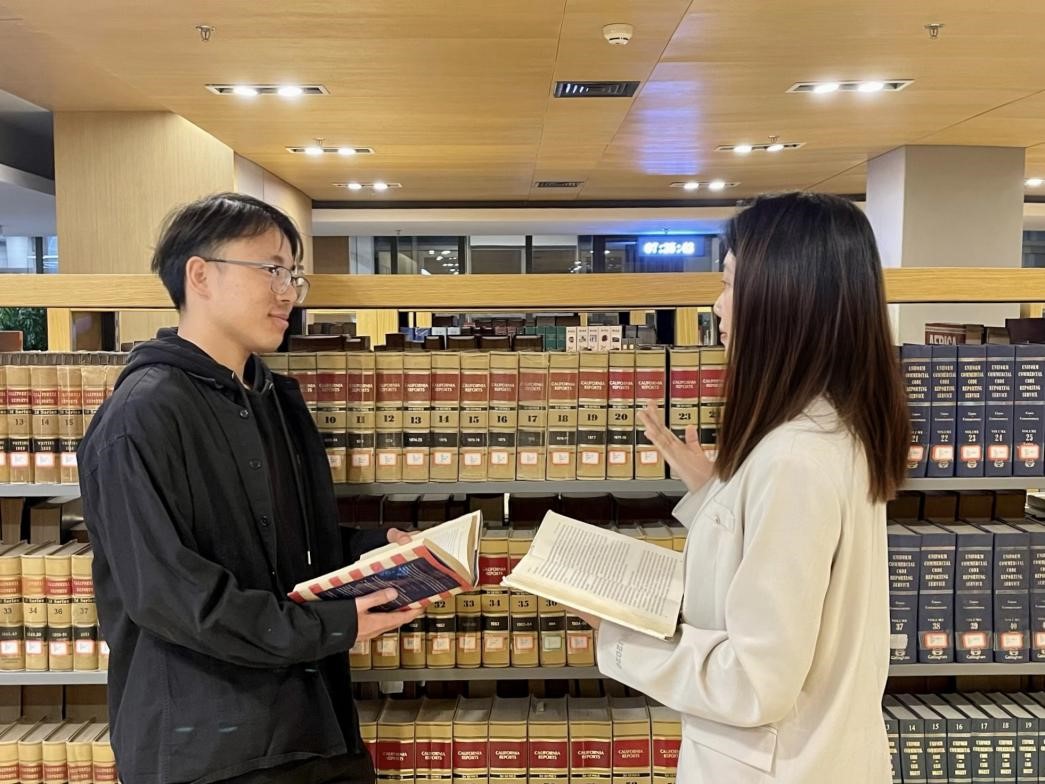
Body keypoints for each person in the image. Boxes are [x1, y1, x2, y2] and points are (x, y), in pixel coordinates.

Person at [78, 192, 423, 784]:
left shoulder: (270, 397)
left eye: (293, 275)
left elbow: (280, 543)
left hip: (315, 729)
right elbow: (168, 595)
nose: (288, 292)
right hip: (211, 749)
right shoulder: (142, 414)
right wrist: (332, 626)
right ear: (200, 275)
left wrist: (377, 552)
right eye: (271, 269)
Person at [584, 192, 909, 782]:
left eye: (730, 282)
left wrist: (618, 637)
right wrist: (717, 491)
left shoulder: (793, 459)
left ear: (783, 298)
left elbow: (756, 682)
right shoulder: (835, 427)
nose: (717, 305)